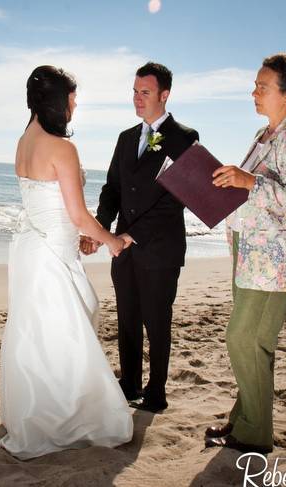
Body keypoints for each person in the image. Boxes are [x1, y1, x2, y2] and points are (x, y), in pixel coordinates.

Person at [0, 65, 133, 460]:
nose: (75, 104)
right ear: (58, 101)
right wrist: (111, 240)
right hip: (52, 253)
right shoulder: (62, 148)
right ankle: (62, 417)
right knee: (64, 331)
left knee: (38, 333)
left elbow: (49, 209)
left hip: (32, 249)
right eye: (72, 97)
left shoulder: (24, 141)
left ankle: (35, 411)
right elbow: (76, 214)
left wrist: (82, 236)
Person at [205, 53, 286, 454]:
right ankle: (244, 423)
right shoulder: (262, 136)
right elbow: (251, 188)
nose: (254, 92)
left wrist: (248, 180)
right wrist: (227, 180)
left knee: (243, 340)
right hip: (248, 253)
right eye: (255, 85)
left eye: (262, 86)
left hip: (275, 263)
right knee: (253, 344)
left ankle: (254, 434)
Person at [83, 62, 199, 413]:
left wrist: (134, 233)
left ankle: (156, 392)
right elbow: (112, 190)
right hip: (123, 249)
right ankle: (130, 384)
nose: (137, 98)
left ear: (164, 95)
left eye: (145, 92)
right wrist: (98, 230)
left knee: (157, 322)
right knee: (128, 319)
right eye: (134, 91)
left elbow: (176, 199)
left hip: (160, 249)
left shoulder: (185, 138)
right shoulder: (125, 138)